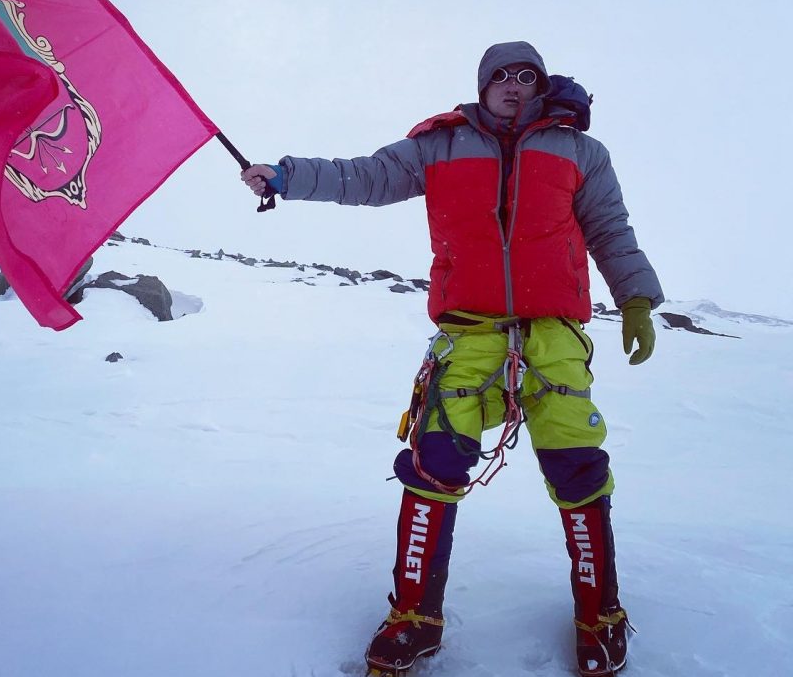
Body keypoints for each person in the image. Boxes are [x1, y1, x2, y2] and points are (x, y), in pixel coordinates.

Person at [241, 41, 663, 677]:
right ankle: (415, 616)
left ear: (542, 87)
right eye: (503, 77)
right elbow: (365, 176)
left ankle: (599, 615)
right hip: (468, 333)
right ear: (483, 85)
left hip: (553, 336)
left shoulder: (580, 151)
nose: (516, 86)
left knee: (577, 464)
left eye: (529, 77)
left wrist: (635, 300)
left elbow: (611, 228)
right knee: (434, 462)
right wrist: (288, 176)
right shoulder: (440, 145)